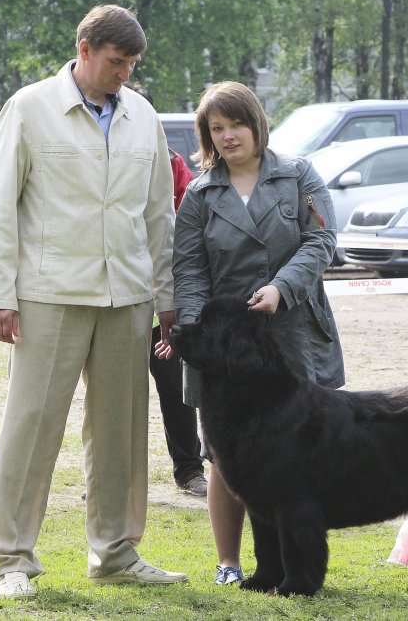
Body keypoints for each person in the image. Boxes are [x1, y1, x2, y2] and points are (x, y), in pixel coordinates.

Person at [0, 4, 187, 600]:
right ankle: (12, 559)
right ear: (85, 47)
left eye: (132, 64)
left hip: (127, 297)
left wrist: (165, 296)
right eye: (116, 61)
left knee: (122, 431)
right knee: (32, 426)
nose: (124, 73)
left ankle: (116, 552)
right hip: (48, 294)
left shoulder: (143, 115)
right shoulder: (29, 107)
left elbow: (157, 215)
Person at [168, 80, 345, 585]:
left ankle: (297, 562)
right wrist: (197, 337)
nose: (227, 136)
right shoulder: (200, 194)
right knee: (223, 454)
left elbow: (321, 241)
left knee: (301, 445)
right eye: (216, 128)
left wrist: (281, 288)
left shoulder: (298, 175)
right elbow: (189, 270)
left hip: (291, 331)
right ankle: (229, 563)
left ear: (256, 123)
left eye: (235, 124)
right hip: (225, 349)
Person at [125, 81, 207, 498]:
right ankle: (113, 479)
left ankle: (189, 469)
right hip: (115, 300)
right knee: (115, 398)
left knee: (176, 388)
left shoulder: (174, 165)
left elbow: (184, 236)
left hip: (164, 302)